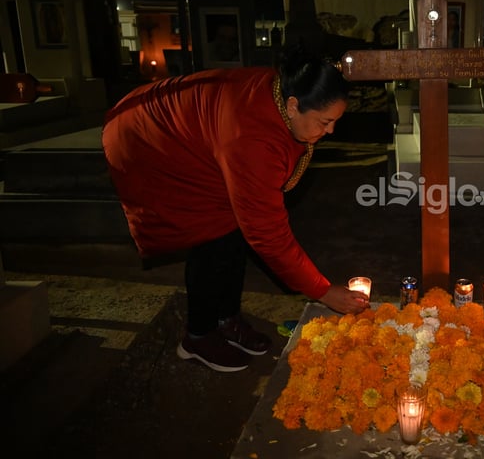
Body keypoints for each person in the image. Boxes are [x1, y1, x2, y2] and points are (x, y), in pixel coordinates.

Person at [101, 47, 370, 373]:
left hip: (200, 136)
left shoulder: (281, 92)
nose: (330, 132)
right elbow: (267, 233)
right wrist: (322, 290)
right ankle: (198, 336)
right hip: (148, 139)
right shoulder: (252, 140)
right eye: (325, 122)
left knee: (232, 228)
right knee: (210, 231)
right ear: (293, 105)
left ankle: (226, 317)